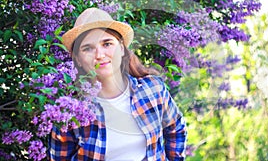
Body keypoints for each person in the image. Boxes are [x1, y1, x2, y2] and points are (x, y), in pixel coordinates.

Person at [48, 8, 187, 161]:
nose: (100, 55)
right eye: (87, 48)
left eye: (107, 44)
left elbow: (176, 128)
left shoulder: (152, 89)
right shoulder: (70, 111)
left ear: (121, 48)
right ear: (78, 59)